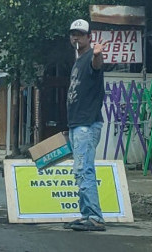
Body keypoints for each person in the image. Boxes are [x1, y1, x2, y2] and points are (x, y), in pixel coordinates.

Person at [64, 19, 106, 232]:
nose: (76, 38)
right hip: (77, 125)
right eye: (73, 34)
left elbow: (96, 66)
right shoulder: (77, 61)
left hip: (87, 125)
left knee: (84, 169)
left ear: (89, 37)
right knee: (79, 170)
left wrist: (97, 54)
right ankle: (86, 214)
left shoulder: (91, 57)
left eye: (80, 34)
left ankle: (95, 217)